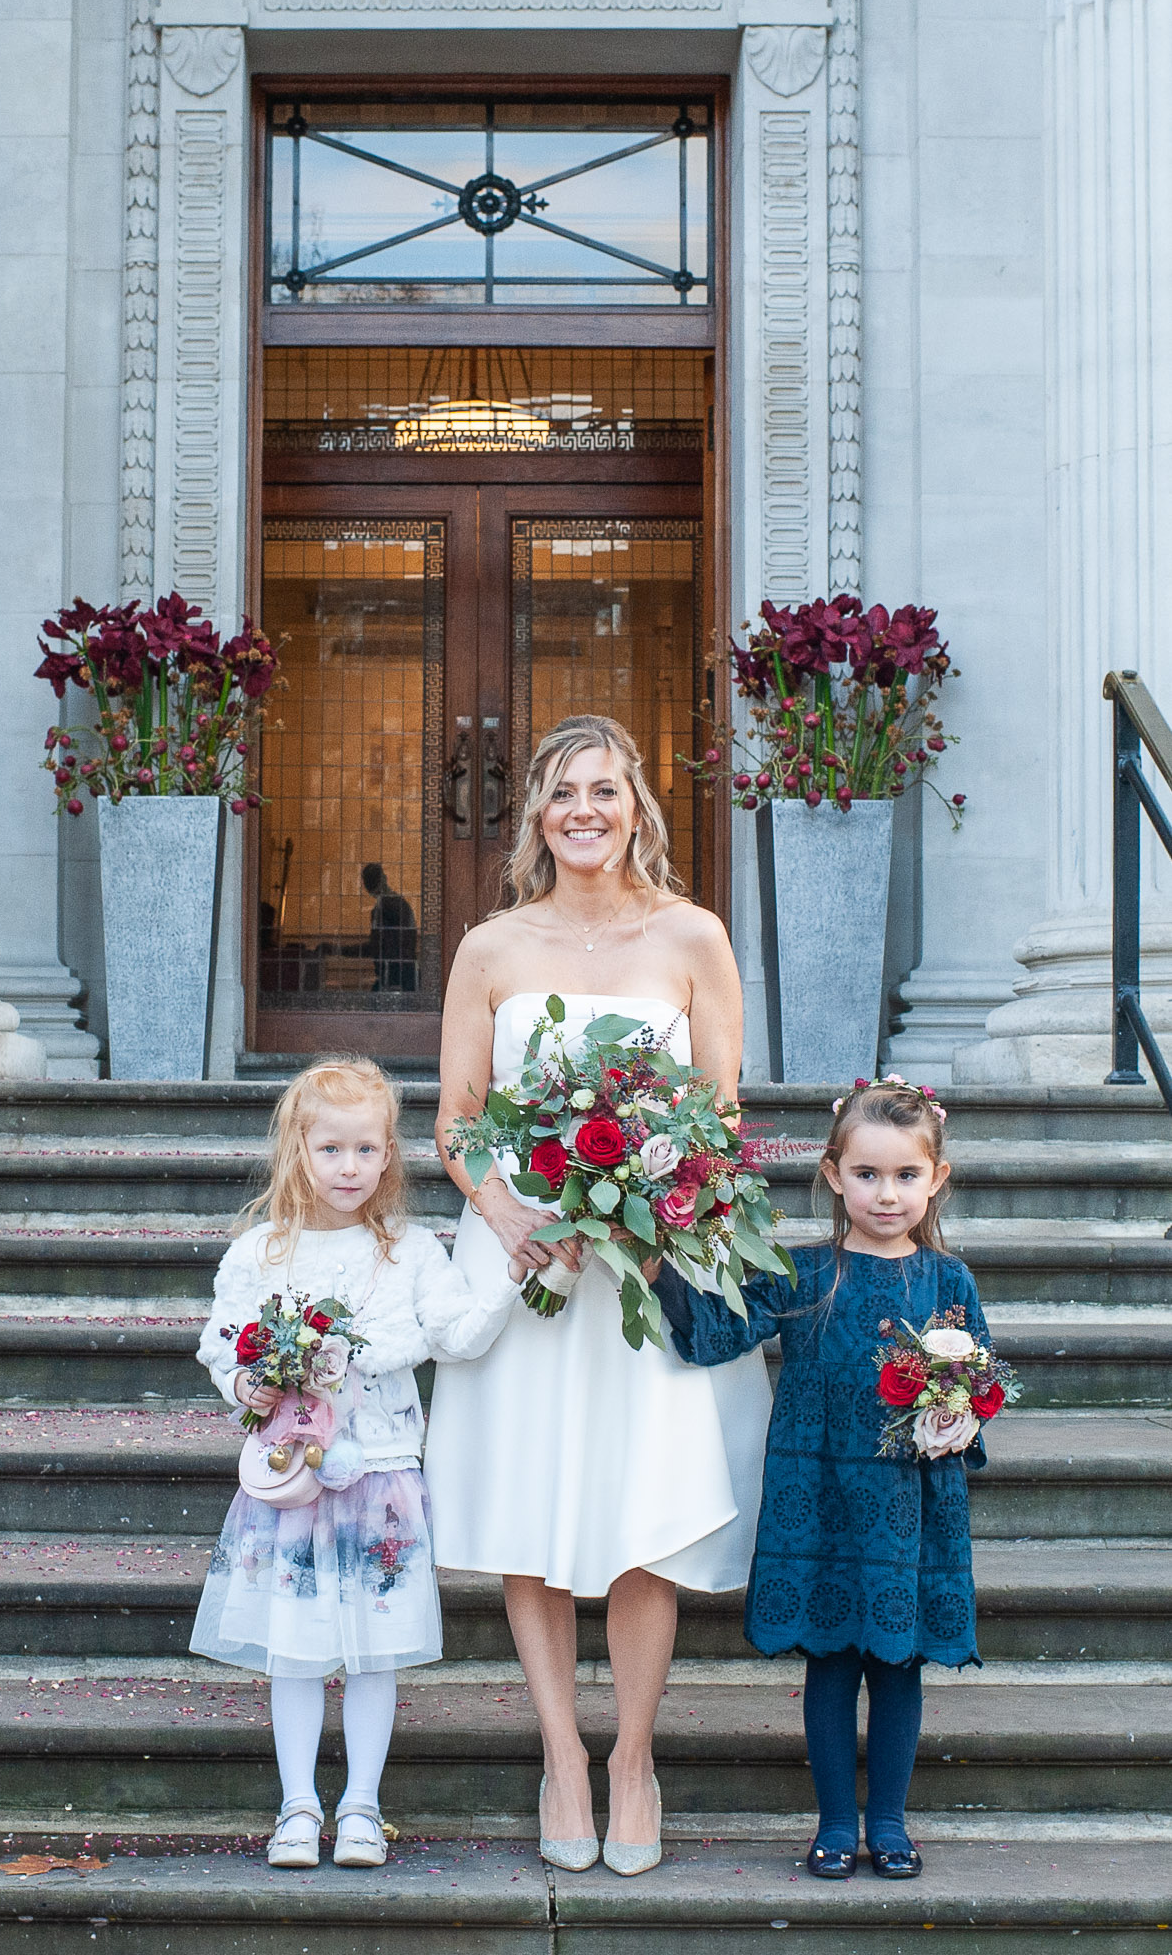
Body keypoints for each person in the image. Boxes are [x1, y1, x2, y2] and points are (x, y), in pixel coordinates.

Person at [424, 713, 773, 1878]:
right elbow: (458, 1121)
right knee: (530, 1509)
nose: (584, 810)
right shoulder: (489, 946)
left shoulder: (691, 935)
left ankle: (632, 1757)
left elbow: (717, 1117)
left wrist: (658, 1205)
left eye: (605, 791)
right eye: (563, 791)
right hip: (529, 1263)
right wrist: (507, 1212)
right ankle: (561, 1754)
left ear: (637, 809)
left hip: (645, 1260)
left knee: (642, 1515)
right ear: (534, 810)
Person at [652, 1077, 991, 1882]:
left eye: (905, 1176)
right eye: (867, 1174)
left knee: (897, 1663)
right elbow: (711, 1336)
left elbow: (978, 1386)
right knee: (832, 1664)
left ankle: (890, 1823)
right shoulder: (802, 1272)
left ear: (934, 1179)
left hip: (908, 1506)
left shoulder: (950, 1283)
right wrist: (655, 1254)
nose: (886, 1193)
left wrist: (959, 1413)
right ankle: (836, 1823)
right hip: (822, 1502)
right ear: (833, 1174)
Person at [192, 1058, 521, 1871]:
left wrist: (511, 1280)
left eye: (366, 1150)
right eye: (331, 1149)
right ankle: (298, 1806)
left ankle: (363, 1806)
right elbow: (221, 1341)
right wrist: (250, 1377)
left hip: (379, 1477)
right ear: (297, 1149)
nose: (349, 1168)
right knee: (295, 1651)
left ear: (388, 1155)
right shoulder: (263, 1252)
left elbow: (453, 1335)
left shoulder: (408, 1251)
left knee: (375, 1653)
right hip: (290, 1479)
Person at [346, 862, 419, 991]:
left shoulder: (383, 907)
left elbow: (376, 946)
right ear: (384, 878)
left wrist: (338, 950)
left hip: (392, 977)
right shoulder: (401, 903)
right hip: (407, 973)